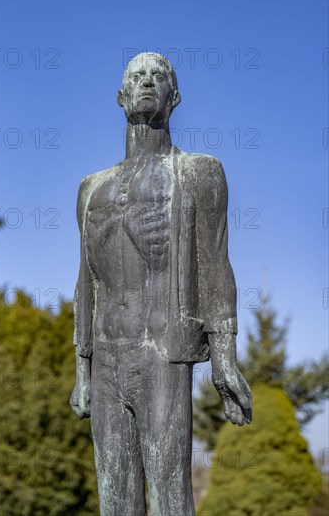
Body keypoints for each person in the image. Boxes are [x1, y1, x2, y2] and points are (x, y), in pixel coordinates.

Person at [70, 52, 252, 516]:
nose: (147, 82)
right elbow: (85, 284)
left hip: (163, 353)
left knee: (171, 495)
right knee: (115, 500)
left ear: (175, 97)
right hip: (108, 352)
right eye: (137, 76)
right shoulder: (91, 187)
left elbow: (215, 265)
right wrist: (82, 373)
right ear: (121, 96)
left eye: (158, 76)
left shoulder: (198, 172)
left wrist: (225, 360)